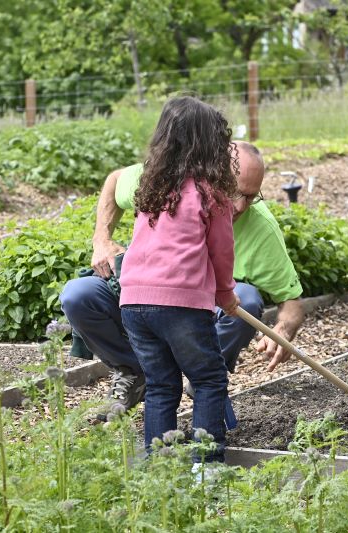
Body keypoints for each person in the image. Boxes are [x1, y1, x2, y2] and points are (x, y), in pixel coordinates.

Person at [60, 139, 305, 410]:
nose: (240, 206)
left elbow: (292, 301)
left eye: (251, 196)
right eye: (234, 191)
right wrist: (101, 239)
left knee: (245, 298)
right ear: (212, 173)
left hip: (203, 312)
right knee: (77, 295)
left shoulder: (261, 228)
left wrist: (282, 329)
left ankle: (203, 377)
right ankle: (134, 370)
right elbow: (116, 179)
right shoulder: (169, 184)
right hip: (149, 297)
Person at [118, 96, 240, 462]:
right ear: (209, 145)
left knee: (160, 385)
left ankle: (161, 469)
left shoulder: (152, 190)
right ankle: (206, 467)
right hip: (180, 305)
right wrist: (225, 293)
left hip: (134, 301)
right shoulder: (208, 194)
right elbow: (221, 251)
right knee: (208, 380)